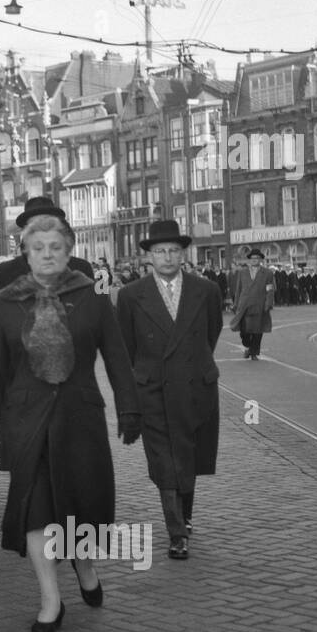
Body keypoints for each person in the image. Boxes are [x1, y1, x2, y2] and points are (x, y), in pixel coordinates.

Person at [0, 213, 139, 632]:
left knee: (79, 503)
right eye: (37, 248)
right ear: (26, 254)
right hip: (26, 419)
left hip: (79, 417)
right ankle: (51, 600)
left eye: (55, 248)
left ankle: (83, 564)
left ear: (68, 252)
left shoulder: (92, 295)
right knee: (36, 512)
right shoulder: (10, 300)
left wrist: (129, 409)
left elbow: (117, 356)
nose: (46, 255)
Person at [115, 220, 222, 561]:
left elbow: (211, 333)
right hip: (154, 391)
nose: (167, 257)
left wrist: (196, 367)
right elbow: (126, 346)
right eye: (160, 251)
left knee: (189, 456)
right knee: (165, 461)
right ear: (148, 256)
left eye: (174, 250)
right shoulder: (131, 296)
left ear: (183, 253)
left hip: (195, 388)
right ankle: (176, 532)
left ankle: (185, 515)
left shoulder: (205, 290)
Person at [0, 196, 96, 295]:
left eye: (48, 224)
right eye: (35, 227)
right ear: (25, 232)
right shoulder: (4, 272)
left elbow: (99, 309)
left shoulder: (81, 269)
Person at [229, 248, 274, 359]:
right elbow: (238, 289)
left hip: (260, 304)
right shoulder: (243, 272)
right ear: (249, 260)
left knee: (258, 330)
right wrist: (235, 304)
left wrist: (268, 303)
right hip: (244, 305)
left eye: (257, 258)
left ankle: (253, 353)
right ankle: (248, 346)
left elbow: (270, 289)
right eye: (252, 258)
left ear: (260, 259)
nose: (254, 260)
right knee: (244, 331)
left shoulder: (267, 273)